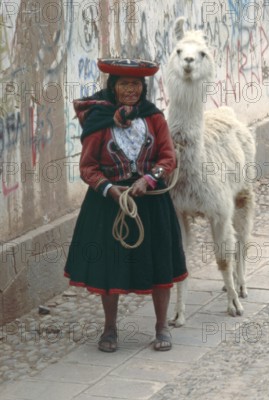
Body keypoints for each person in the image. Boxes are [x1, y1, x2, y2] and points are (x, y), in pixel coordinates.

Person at [64, 58, 187, 353]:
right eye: (124, 84)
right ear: (113, 86)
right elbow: (88, 168)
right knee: (110, 266)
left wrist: (148, 179)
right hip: (109, 204)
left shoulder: (154, 117)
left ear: (142, 88)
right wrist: (110, 190)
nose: (130, 89)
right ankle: (109, 328)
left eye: (135, 84)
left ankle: (161, 326)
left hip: (151, 202)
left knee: (160, 263)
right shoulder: (99, 119)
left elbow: (168, 158)